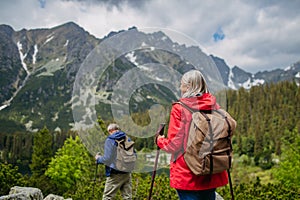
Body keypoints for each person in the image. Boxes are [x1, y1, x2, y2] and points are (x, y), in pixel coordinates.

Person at [156, 70, 228, 200]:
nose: (180, 87)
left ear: (189, 86)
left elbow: (174, 144)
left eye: (182, 84)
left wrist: (160, 141)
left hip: (188, 173)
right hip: (211, 169)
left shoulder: (180, 108)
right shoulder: (214, 106)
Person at [95, 123, 133, 200]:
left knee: (108, 197)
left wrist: (98, 159)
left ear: (110, 131)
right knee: (127, 197)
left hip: (115, 172)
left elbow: (107, 158)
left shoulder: (110, 140)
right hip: (127, 171)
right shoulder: (127, 138)